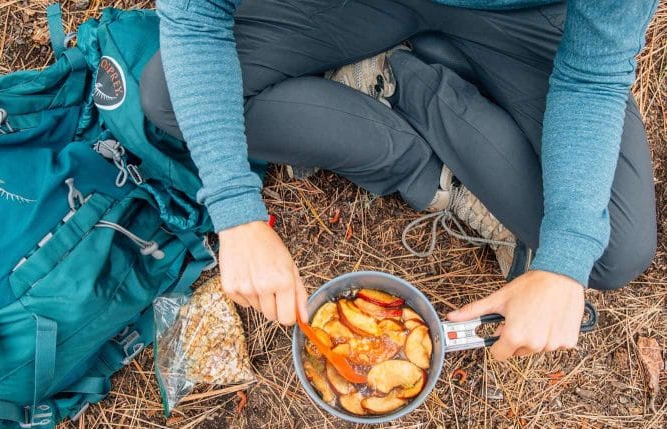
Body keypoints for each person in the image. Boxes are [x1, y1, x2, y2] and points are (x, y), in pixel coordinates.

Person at [140, 1, 658, 361]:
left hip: (521, 19)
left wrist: (565, 262)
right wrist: (236, 211)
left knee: (607, 250)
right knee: (170, 97)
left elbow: (591, 76)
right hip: (359, 5)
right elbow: (195, 15)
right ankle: (400, 113)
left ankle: (419, 80)